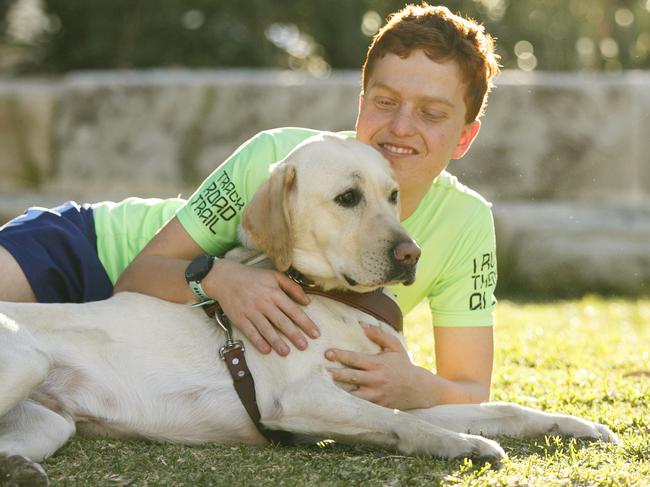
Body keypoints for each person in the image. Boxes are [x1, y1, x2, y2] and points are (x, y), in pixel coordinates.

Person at [0, 4, 499, 412]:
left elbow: (470, 388)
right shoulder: (281, 159)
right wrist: (219, 277)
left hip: (147, 354)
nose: (402, 127)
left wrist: (421, 388)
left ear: (465, 137)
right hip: (88, 251)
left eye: (432, 113)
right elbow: (139, 274)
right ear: (361, 101)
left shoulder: (466, 222)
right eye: (385, 102)